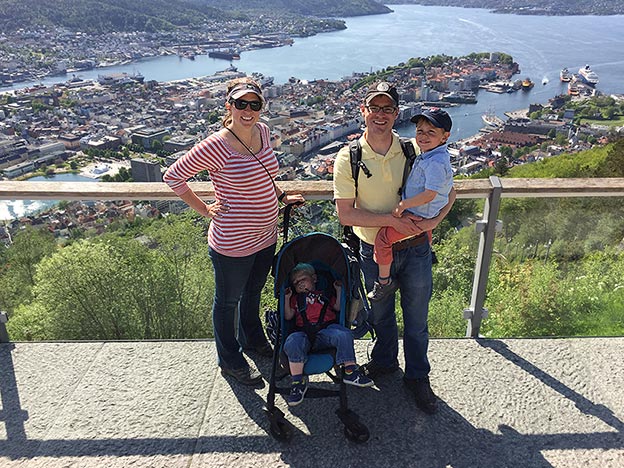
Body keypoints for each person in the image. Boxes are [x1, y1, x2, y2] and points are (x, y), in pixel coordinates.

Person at [163, 77, 304, 386]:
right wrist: (204, 209)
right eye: (241, 103)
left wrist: (280, 197)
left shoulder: (263, 132)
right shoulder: (216, 145)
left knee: (253, 292)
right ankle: (229, 360)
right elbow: (173, 176)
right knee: (227, 302)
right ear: (229, 106)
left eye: (255, 104)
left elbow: (265, 174)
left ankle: (252, 339)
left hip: (267, 233)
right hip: (233, 241)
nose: (248, 110)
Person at [333, 81, 456, 414]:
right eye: (375, 108)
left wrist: (432, 223)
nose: (381, 115)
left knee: (417, 320)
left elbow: (447, 190)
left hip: (415, 247)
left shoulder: (412, 150)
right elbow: (345, 214)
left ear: (396, 113)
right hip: (374, 249)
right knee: (381, 317)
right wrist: (393, 220)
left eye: (388, 109)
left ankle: (418, 376)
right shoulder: (350, 157)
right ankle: (385, 362)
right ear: (364, 112)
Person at [368, 108, 454, 302]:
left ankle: (383, 282)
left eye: (431, 132)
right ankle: (428, 249)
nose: (423, 136)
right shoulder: (434, 155)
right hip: (426, 214)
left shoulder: (434, 162)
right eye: (420, 131)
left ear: (444, 136)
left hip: (417, 213)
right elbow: (448, 191)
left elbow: (430, 194)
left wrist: (403, 205)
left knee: (382, 239)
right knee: (424, 229)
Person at [283, 263, 374, 406]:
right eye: (295, 282)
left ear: (314, 278)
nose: (299, 283)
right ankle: (297, 381)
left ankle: (350, 370)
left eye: (303, 279)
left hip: (326, 332)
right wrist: (287, 298)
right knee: (292, 340)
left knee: (343, 334)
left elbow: (337, 307)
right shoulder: (295, 299)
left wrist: (338, 291)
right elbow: (288, 317)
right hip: (303, 334)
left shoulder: (324, 295)